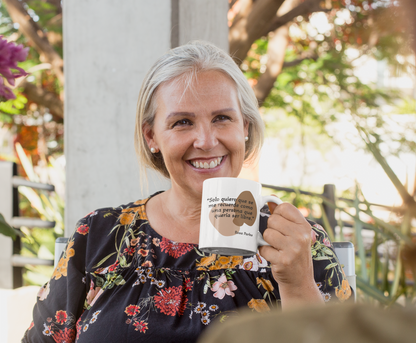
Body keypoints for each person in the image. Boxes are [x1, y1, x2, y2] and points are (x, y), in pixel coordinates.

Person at [23, 41, 351, 343]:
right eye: (182, 122)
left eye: (223, 118)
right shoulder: (99, 236)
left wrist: (299, 285)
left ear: (245, 129)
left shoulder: (298, 245)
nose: (206, 141)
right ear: (152, 136)